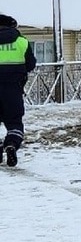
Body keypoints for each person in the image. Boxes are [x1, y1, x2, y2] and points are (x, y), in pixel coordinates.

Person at [0, 14, 37, 167]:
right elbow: (31, 64)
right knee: (15, 121)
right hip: (13, 90)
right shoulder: (22, 42)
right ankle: (11, 145)